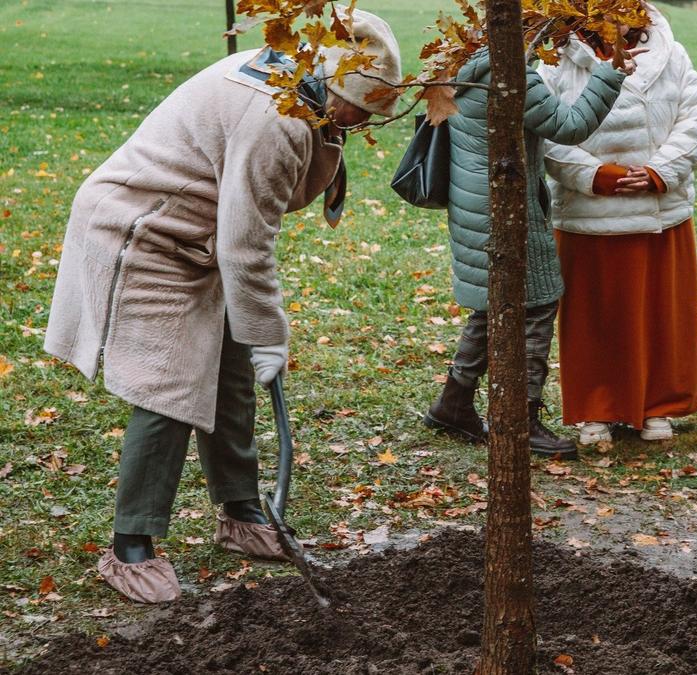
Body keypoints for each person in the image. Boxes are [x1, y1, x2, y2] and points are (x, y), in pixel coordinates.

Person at [43, 9, 403, 604]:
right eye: (362, 108)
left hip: (198, 236)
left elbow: (241, 233)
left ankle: (239, 510)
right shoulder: (276, 120)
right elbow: (246, 244)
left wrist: (252, 337)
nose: (366, 122)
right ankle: (130, 546)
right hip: (145, 229)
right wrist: (270, 333)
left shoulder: (301, 90)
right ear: (332, 85)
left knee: (231, 373)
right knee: (171, 386)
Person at [421, 31, 641, 459]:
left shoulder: (462, 58)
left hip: (472, 200)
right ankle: (522, 419)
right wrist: (611, 72)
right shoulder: (508, 71)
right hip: (504, 205)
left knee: (494, 302)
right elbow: (568, 126)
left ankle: (453, 402)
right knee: (538, 303)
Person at [537, 3, 697, 445]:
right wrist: (598, 176)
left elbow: (694, 117)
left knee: (661, 313)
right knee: (597, 317)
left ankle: (657, 406)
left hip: (660, 211)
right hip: (591, 216)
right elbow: (547, 136)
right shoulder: (557, 58)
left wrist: (658, 172)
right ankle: (596, 408)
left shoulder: (672, 52)